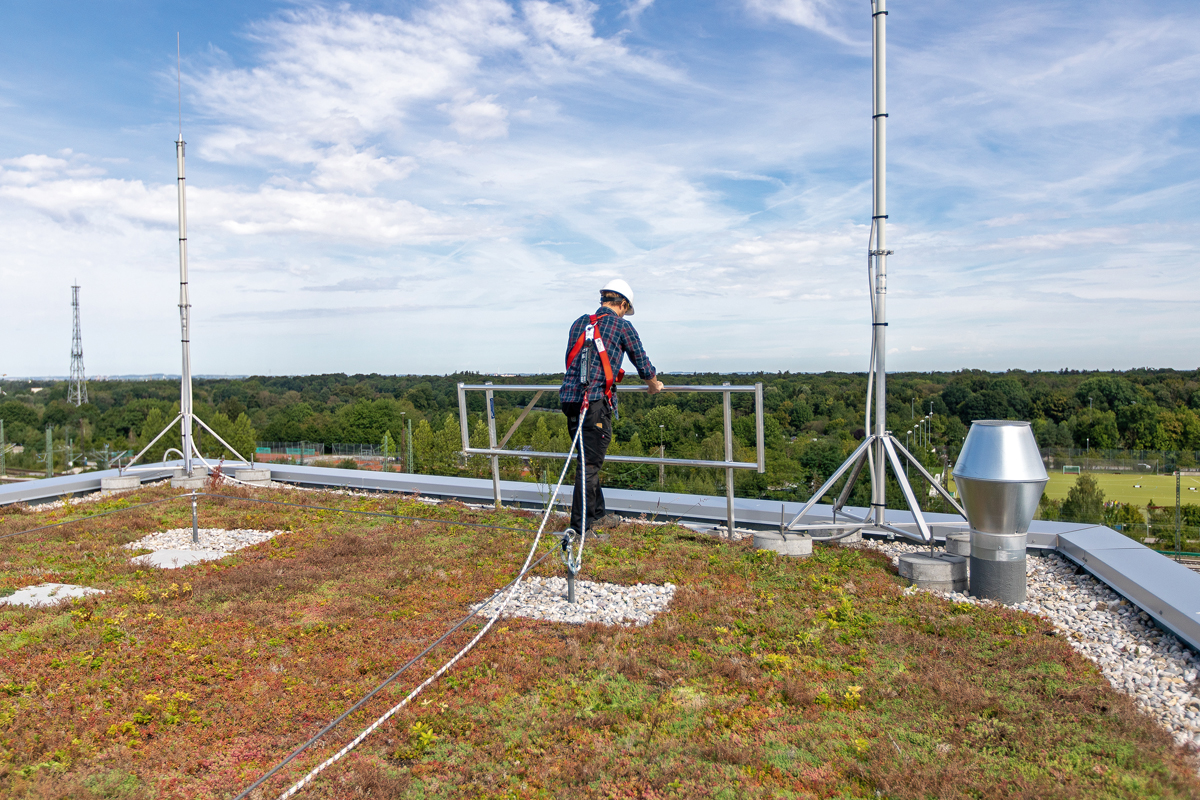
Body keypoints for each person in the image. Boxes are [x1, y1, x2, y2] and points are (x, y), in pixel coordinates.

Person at [560, 278, 663, 536]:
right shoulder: (621, 326)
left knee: (587, 461)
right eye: (626, 309)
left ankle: (597, 516)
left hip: (571, 401)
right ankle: (580, 530)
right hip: (594, 404)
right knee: (589, 467)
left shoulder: (580, 323)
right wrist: (653, 385)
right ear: (623, 304)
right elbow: (642, 362)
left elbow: (570, 359)